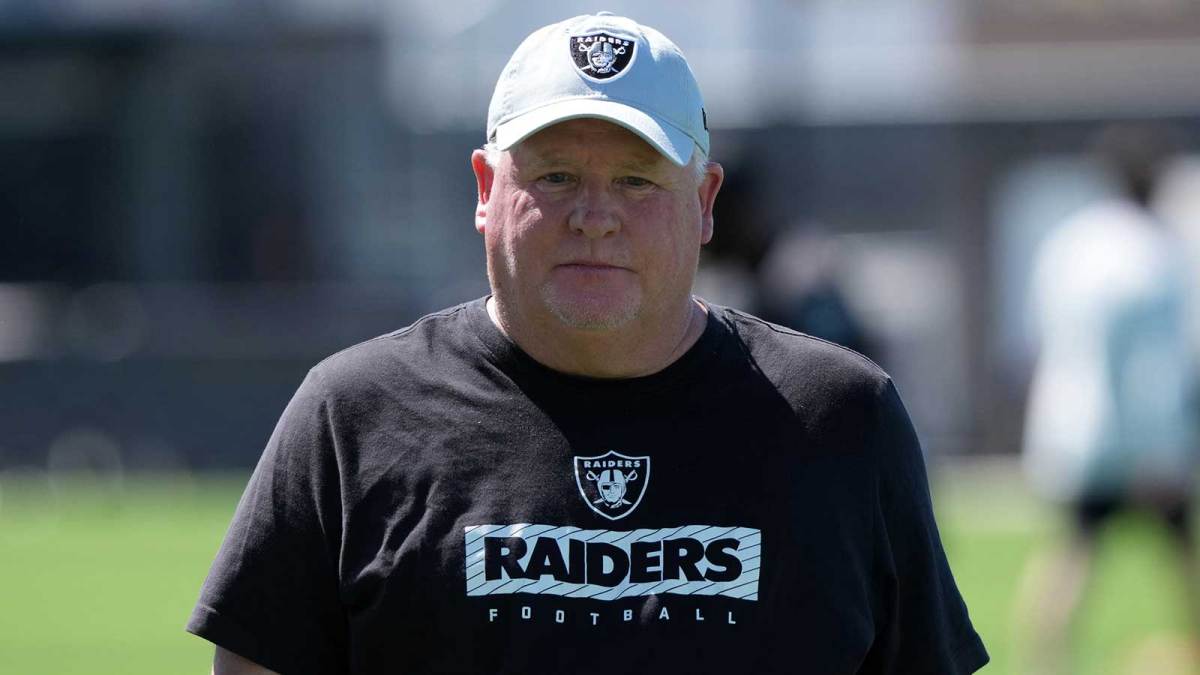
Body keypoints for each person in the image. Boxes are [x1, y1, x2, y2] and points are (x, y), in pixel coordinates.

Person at [187, 12, 988, 674]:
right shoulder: (352, 416)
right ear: (485, 190)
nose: (595, 215)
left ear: (704, 202)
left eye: (638, 180)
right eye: (557, 176)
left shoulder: (841, 417)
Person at [1018, 124, 1200, 673]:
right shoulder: (1154, 249)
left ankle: (1041, 659)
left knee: (1073, 549)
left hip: (1073, 427)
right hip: (1138, 435)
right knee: (1181, 552)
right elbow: (1151, 362)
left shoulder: (1071, 241)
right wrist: (1157, 443)